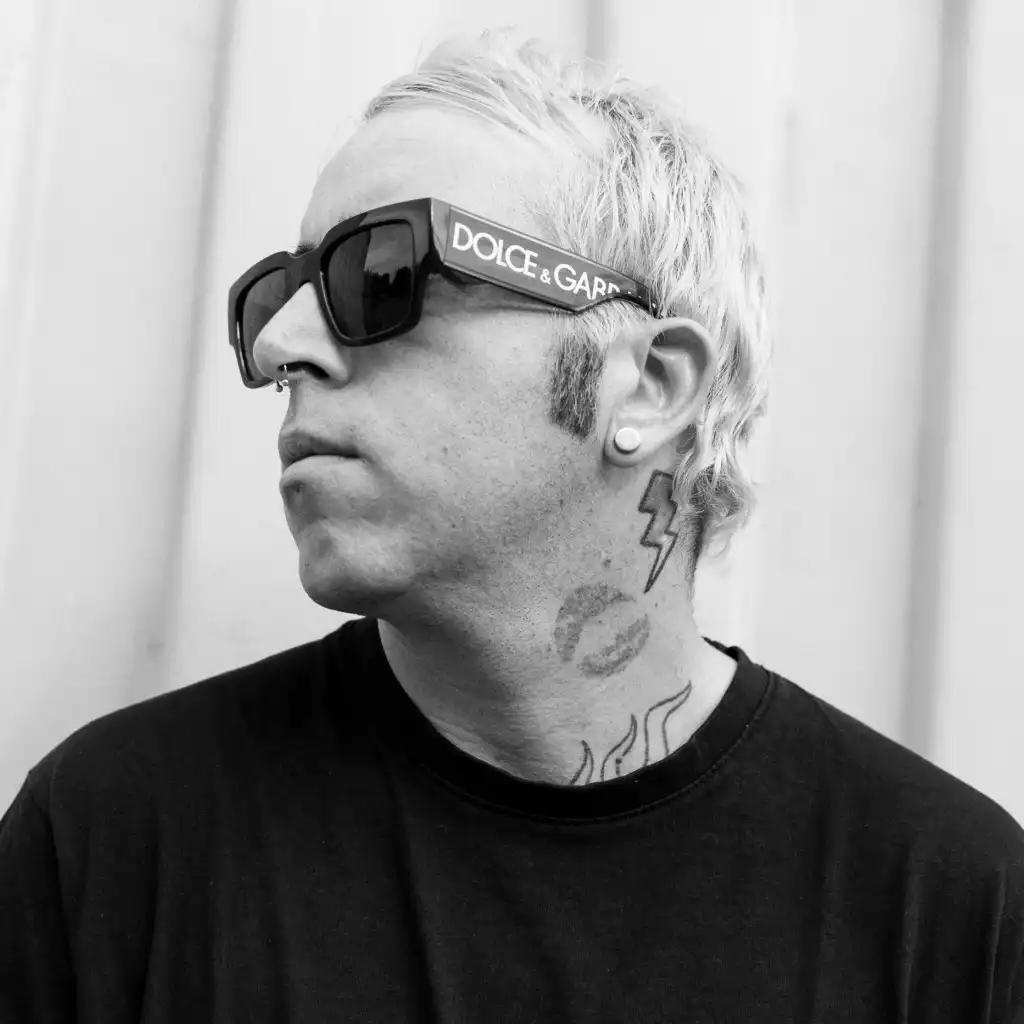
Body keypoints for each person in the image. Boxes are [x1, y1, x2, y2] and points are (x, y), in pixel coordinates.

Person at [2, 27, 1022, 1022]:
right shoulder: (112, 843)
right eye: (279, 293)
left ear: (651, 386)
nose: (281, 345)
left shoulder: (947, 912)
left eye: (381, 274)